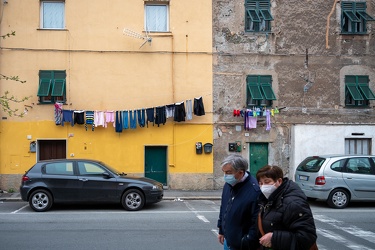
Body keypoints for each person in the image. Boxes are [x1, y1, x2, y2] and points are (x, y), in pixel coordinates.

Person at [256, 165, 317, 250]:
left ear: (279, 181)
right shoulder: (267, 199)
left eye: (267, 182)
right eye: (260, 183)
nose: (263, 187)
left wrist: (274, 238)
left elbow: (306, 237)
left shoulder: (293, 203)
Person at [217, 154, 261, 250]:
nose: (225, 176)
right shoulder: (229, 185)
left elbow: (256, 221)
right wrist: (221, 230)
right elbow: (224, 208)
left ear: (241, 173)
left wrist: (246, 241)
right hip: (228, 240)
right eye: (224, 172)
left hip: (242, 245)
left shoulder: (254, 191)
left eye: (228, 172)